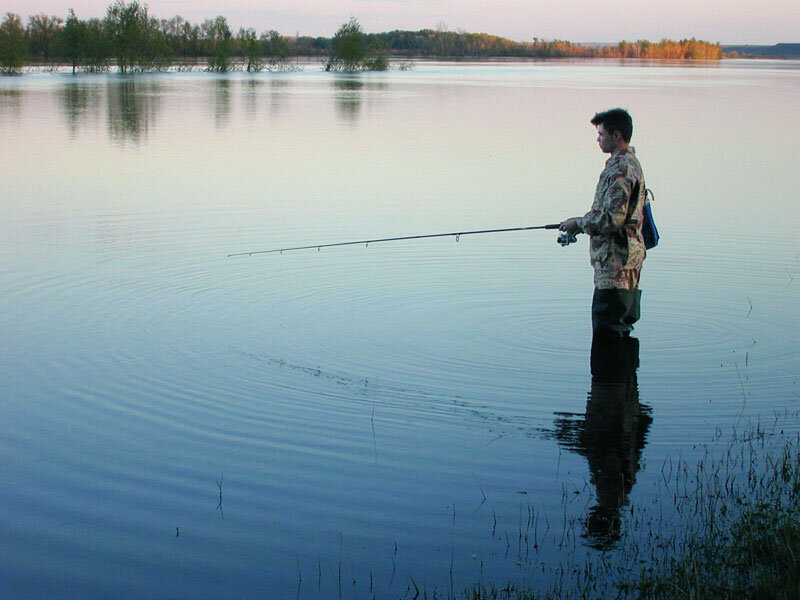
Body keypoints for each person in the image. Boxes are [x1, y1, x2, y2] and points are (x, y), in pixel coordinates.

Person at [560, 108, 647, 339]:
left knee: (608, 333)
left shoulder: (621, 169)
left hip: (616, 264)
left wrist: (577, 223)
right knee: (621, 331)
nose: (598, 139)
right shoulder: (628, 163)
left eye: (601, 134)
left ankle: (611, 376)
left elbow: (611, 219)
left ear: (616, 135)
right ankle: (624, 375)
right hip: (624, 261)